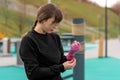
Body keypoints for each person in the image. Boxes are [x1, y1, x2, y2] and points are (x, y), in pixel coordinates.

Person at [19, 3, 79, 80]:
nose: (55, 27)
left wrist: (71, 53)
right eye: (53, 23)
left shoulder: (55, 37)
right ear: (43, 19)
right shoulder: (28, 40)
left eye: (57, 24)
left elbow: (60, 61)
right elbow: (33, 73)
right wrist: (61, 67)